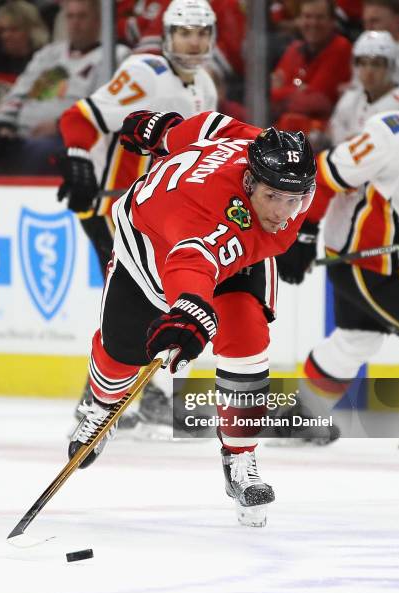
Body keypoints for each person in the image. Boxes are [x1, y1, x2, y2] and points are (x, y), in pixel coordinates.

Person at [65, 108, 317, 527]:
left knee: (247, 339)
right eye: (272, 197)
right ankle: (102, 406)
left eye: (295, 200)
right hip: (152, 243)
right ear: (249, 182)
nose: (282, 213)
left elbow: (217, 126)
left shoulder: (262, 151)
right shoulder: (204, 212)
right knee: (122, 353)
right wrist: (190, 309)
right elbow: (191, 261)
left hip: (229, 252)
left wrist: (167, 132)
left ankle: (241, 458)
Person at [57, 0, 218, 433]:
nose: (194, 41)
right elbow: (81, 116)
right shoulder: (146, 71)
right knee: (139, 296)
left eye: (202, 32)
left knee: (155, 294)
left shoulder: (205, 83)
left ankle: (135, 394)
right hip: (118, 209)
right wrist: (78, 161)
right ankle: (117, 396)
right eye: (185, 32)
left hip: (160, 214)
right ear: (166, 36)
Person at [274, 58, 399, 448]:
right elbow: (325, 175)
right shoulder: (389, 134)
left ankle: (301, 417)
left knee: (357, 339)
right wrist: (303, 233)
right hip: (367, 260)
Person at [0, 0, 130, 173]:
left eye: (82, 16)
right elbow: (18, 93)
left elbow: (100, 107)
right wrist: (4, 125)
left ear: (98, 20)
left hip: (67, 138)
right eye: (70, 16)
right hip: (21, 133)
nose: (75, 23)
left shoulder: (114, 55)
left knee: (38, 151)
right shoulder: (49, 54)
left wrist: (59, 126)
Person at [271, 0, 352, 134]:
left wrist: (283, 91)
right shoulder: (294, 48)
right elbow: (269, 96)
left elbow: (315, 103)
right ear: (299, 20)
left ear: (332, 21)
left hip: (325, 135)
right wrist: (297, 91)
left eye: (320, 17)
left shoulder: (340, 47)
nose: (313, 23)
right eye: (307, 17)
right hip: (289, 133)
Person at [0, 0, 50, 115]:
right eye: (2, 30)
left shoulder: (43, 61)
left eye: (14, 29)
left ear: (31, 31)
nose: (6, 35)